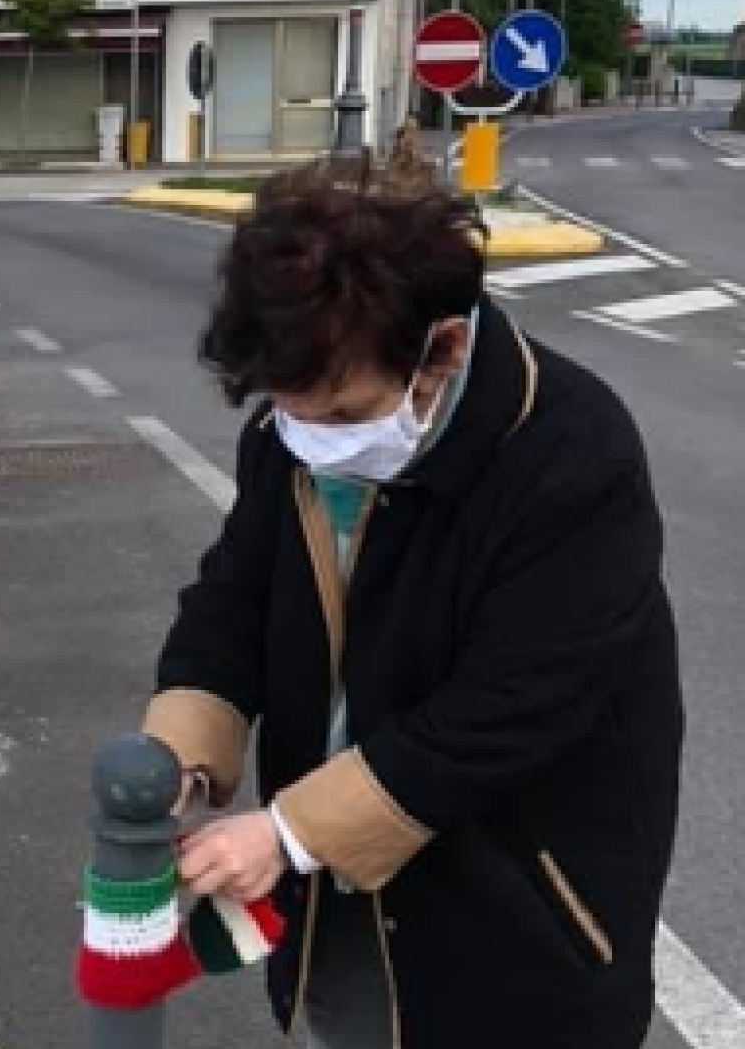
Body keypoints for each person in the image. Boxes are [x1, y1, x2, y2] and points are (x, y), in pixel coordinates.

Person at [142, 159, 683, 1049]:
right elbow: (232, 599)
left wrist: (286, 831)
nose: (317, 441)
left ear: (444, 351)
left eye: (347, 411)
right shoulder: (289, 437)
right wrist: (182, 757)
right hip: (341, 887)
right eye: (289, 411)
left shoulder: (572, 457)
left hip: (521, 907)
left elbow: (508, 710)